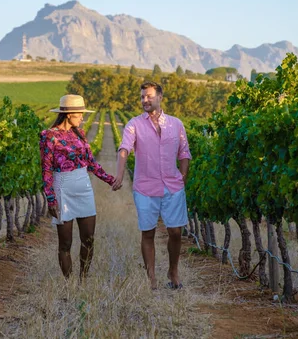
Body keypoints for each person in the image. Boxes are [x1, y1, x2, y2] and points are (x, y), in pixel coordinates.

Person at [112, 82, 191, 290]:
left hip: (172, 186)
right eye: (142, 97)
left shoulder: (176, 124)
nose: (144, 100)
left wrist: (182, 177)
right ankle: (151, 279)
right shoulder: (134, 124)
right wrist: (119, 174)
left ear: (160, 97)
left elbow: (184, 152)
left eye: (148, 96)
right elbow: (124, 148)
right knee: (148, 232)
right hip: (145, 187)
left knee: (175, 232)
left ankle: (173, 270)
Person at [40, 94, 115, 280]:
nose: (82, 117)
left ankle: (83, 279)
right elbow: (46, 169)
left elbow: (91, 163)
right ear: (68, 115)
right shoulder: (49, 136)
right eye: (79, 114)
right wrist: (51, 199)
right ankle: (69, 283)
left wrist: (110, 180)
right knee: (65, 243)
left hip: (83, 187)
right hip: (62, 187)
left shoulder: (80, 134)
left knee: (89, 239)